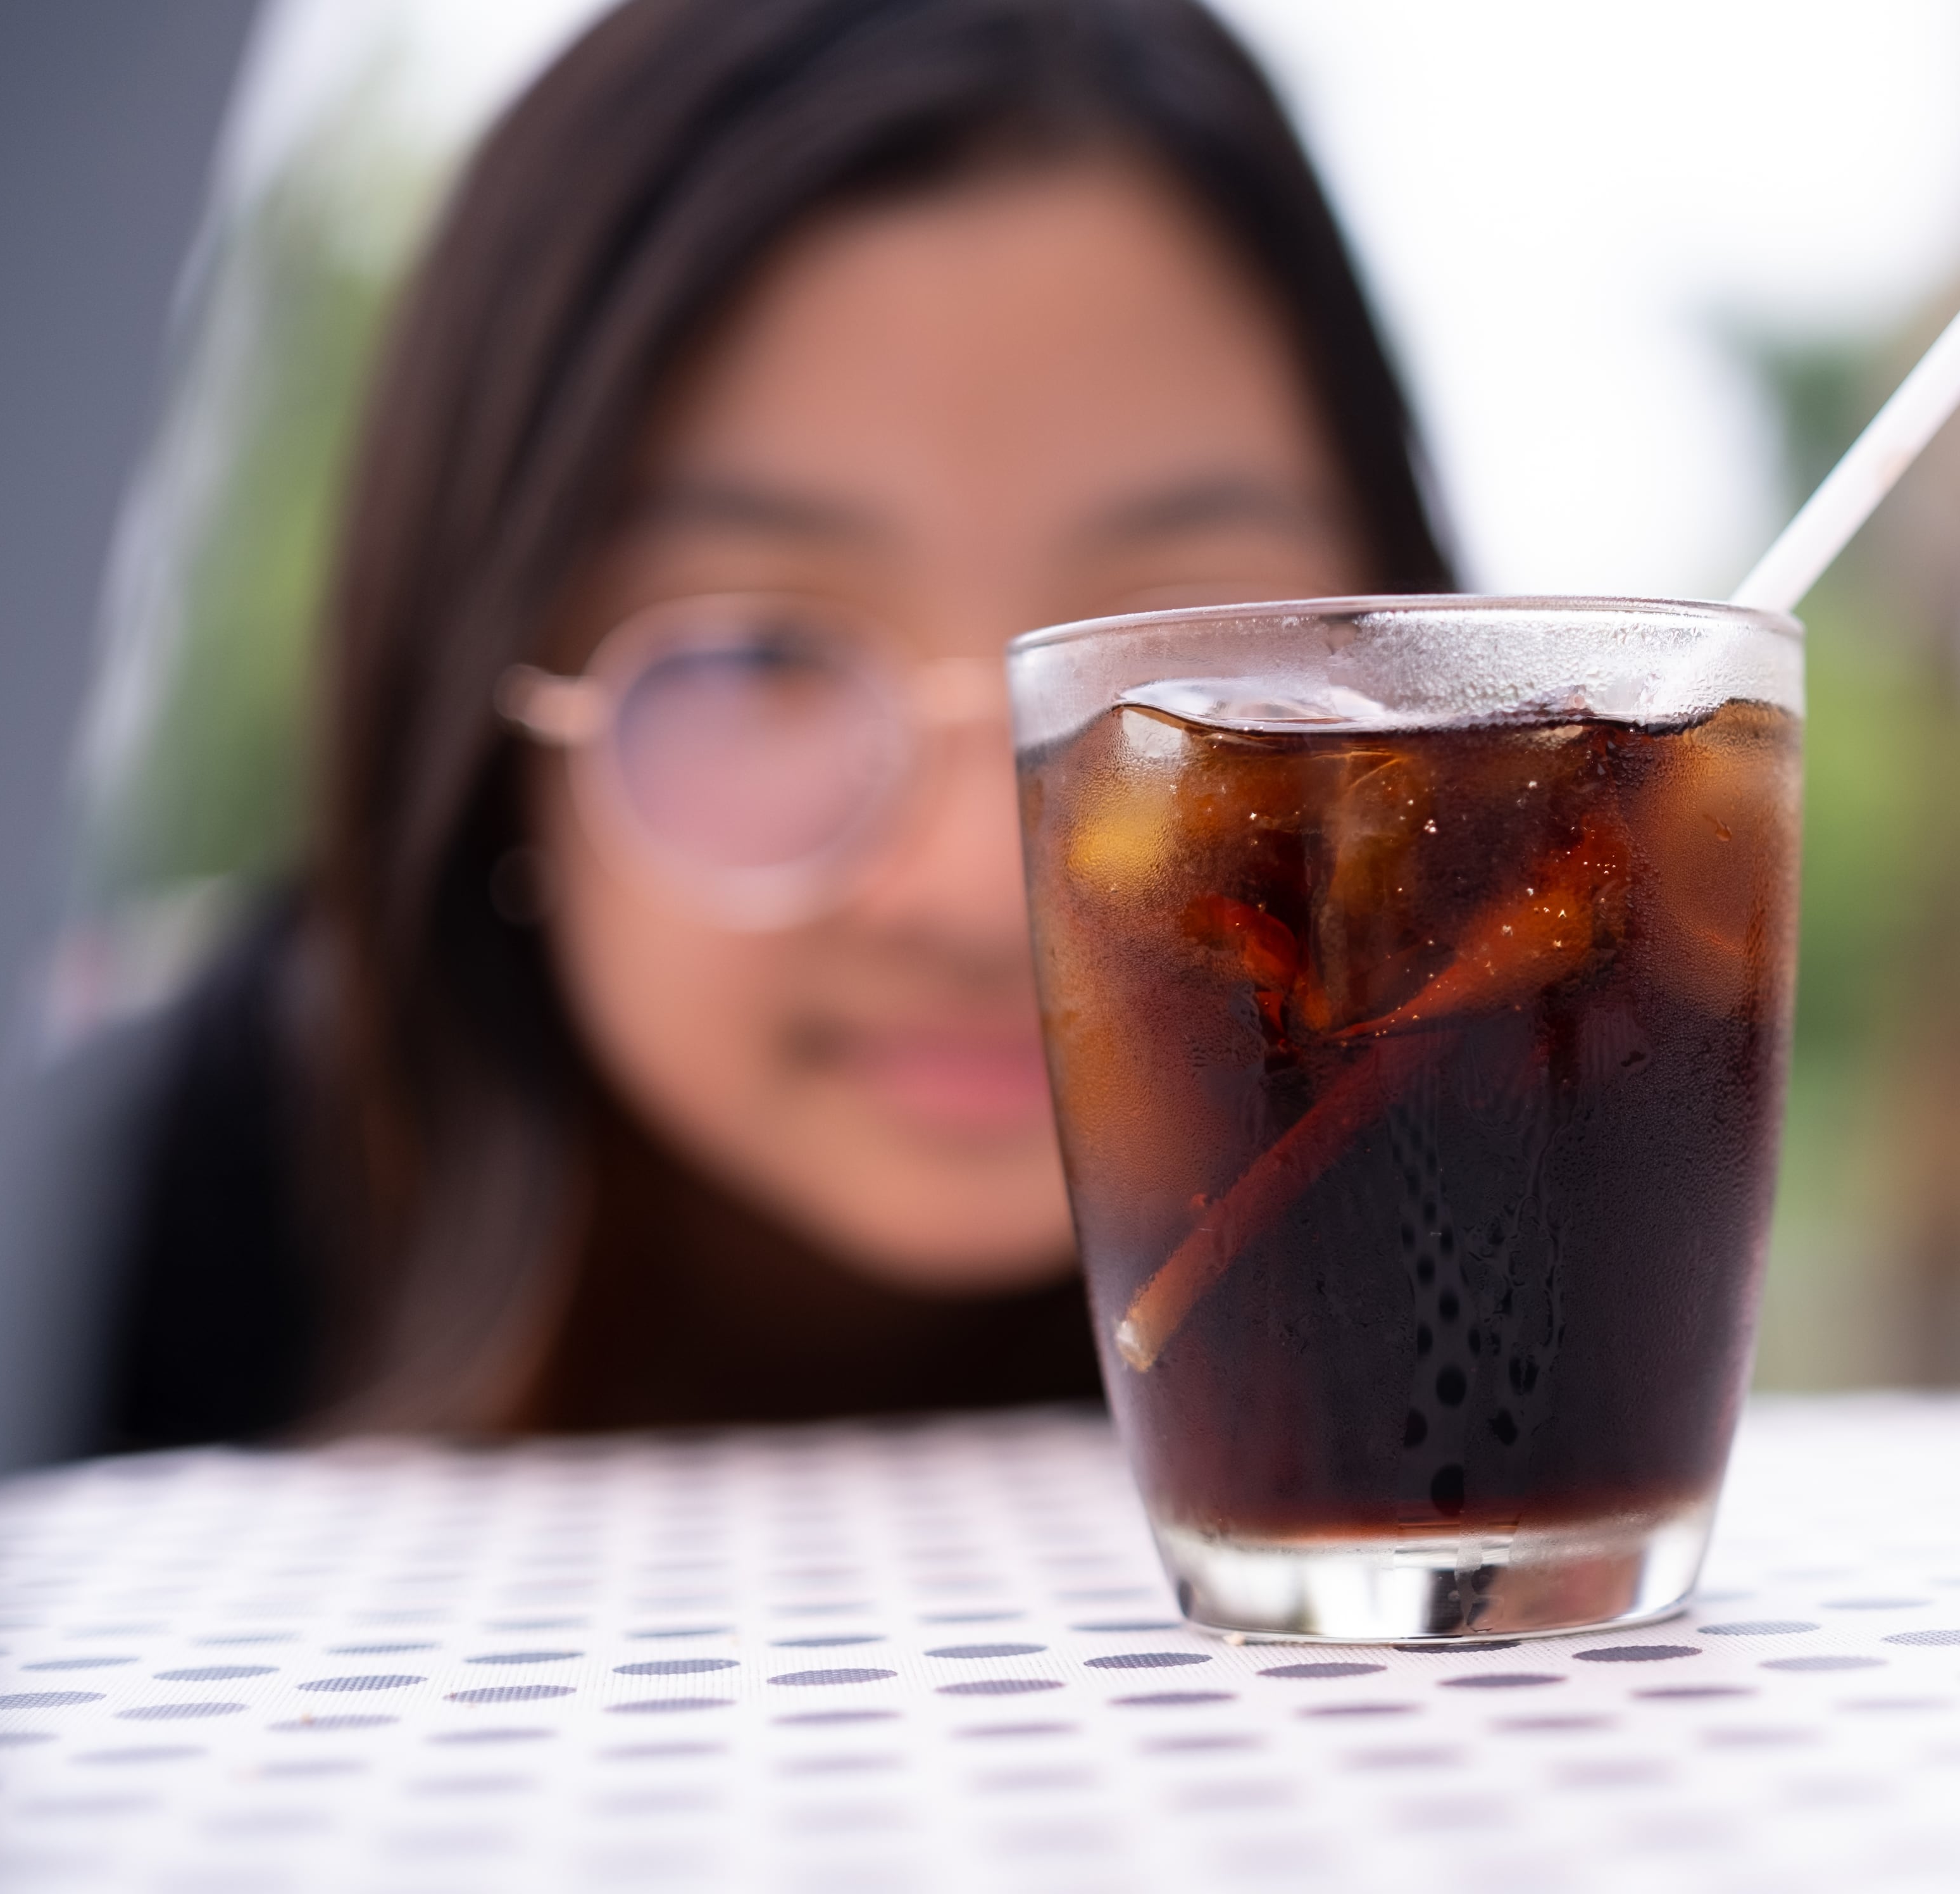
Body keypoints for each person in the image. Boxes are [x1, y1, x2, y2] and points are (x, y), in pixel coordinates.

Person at [77, 0, 1455, 1449]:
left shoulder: (1554, 1352)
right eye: (760, 656)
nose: (993, 894)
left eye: (1179, 659)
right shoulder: (86, 1254)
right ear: (483, 739)